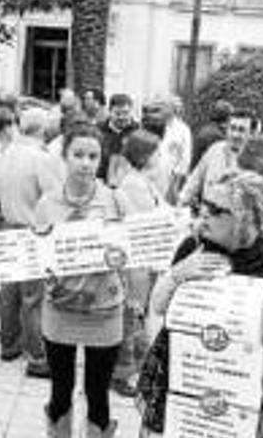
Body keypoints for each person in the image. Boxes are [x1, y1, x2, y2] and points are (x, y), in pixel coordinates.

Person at [139, 170, 263, 438]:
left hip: (235, 404)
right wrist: (178, 274)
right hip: (180, 386)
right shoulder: (194, 247)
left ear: (244, 218)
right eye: (202, 204)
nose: (203, 214)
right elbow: (157, 305)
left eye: (215, 210)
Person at [35, 122, 127, 438]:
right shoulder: (47, 204)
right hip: (60, 310)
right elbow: (37, 258)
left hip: (104, 311)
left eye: (93, 155)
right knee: (61, 391)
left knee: (98, 394)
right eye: (78, 154)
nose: (86, 163)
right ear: (65, 156)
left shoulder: (114, 200)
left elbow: (130, 250)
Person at [0, 108, 62, 377]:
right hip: (32, 228)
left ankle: (9, 345)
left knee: (9, 290)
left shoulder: (8, 153)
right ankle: (37, 357)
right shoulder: (41, 158)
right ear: (43, 129)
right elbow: (54, 197)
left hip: (8, 223)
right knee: (33, 297)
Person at [110, 129, 163, 398]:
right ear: (145, 155)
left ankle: (131, 369)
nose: (161, 156)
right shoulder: (134, 184)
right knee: (130, 317)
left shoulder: (143, 181)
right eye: (157, 152)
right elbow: (148, 221)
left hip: (144, 259)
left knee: (137, 317)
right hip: (136, 261)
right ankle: (120, 373)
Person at [179, 109, 256, 208]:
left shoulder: (257, 162)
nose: (235, 134)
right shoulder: (215, 149)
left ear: (251, 134)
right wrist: (181, 203)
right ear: (226, 129)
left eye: (241, 130)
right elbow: (194, 181)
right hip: (207, 218)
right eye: (232, 128)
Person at [96, 93, 138, 184]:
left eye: (126, 113)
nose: (122, 117)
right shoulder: (98, 131)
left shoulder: (138, 132)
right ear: (110, 112)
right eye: (118, 113)